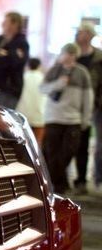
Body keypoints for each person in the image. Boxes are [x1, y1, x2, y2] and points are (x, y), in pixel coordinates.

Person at [41, 43, 94, 194]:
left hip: (73, 119)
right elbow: (42, 88)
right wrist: (58, 84)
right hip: (53, 117)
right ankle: (58, 186)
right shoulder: (54, 70)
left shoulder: (82, 72)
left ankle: (56, 183)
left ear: (76, 56)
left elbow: (88, 97)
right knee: (52, 153)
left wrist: (85, 119)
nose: (69, 56)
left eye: (72, 54)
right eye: (66, 53)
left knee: (68, 152)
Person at [72, 24, 102, 193]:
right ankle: (63, 180)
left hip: (95, 105)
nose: (79, 34)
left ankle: (89, 180)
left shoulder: (98, 57)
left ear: (90, 35)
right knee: (71, 144)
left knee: (92, 144)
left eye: (82, 32)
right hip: (72, 105)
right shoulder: (71, 53)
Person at [17, 58, 46, 145]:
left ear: (28, 65)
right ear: (39, 66)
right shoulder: (43, 78)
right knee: (36, 143)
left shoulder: (23, 77)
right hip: (39, 114)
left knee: (22, 141)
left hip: (23, 112)